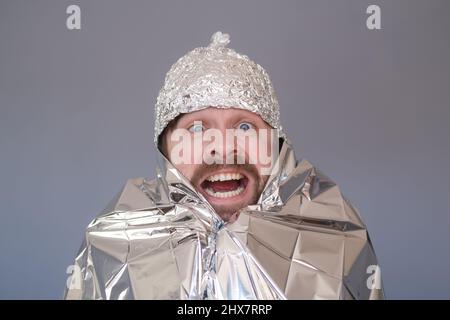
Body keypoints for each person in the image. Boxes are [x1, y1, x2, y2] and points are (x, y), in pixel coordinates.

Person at [64, 31, 384, 300]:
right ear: (166, 150)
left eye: (245, 127)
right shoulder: (113, 245)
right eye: (197, 129)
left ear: (276, 145)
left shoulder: (335, 238)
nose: (224, 147)